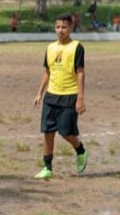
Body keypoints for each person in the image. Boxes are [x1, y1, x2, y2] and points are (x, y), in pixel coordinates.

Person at [32, 14, 88, 180]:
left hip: (69, 95)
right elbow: (47, 71)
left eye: (64, 27)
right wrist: (39, 93)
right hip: (51, 96)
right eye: (57, 27)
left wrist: (80, 97)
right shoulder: (50, 47)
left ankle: (81, 150)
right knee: (48, 131)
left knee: (65, 132)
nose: (60, 30)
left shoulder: (77, 47)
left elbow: (80, 72)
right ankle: (47, 167)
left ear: (71, 28)